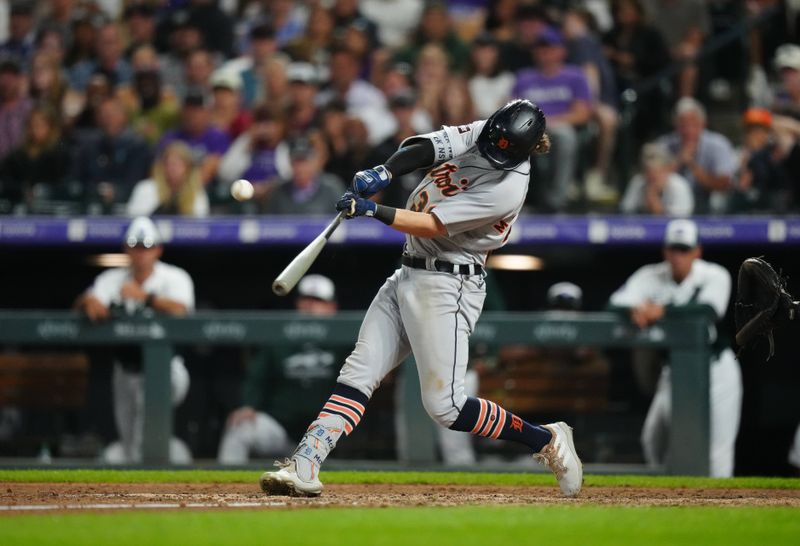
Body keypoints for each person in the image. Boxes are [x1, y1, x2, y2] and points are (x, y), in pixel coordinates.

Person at [260, 99, 583, 498]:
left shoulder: (510, 186)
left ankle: (545, 440)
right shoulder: (488, 131)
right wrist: (384, 170)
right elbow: (427, 145)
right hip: (409, 271)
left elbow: (431, 225)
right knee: (359, 371)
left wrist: (372, 210)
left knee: (446, 408)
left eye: (503, 147)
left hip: (450, 284)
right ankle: (304, 464)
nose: (494, 148)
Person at [608, 219, 742, 477]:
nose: (678, 255)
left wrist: (662, 311)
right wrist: (634, 310)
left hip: (717, 370)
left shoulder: (714, 275)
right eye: (674, 249)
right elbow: (613, 304)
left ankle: (718, 509)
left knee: (717, 451)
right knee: (653, 439)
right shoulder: (651, 275)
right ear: (665, 251)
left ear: (697, 251)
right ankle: (669, 497)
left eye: (684, 249)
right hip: (674, 370)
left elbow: (708, 310)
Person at [74, 217, 194, 464]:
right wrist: (89, 301)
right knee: (129, 445)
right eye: (135, 246)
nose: (141, 253)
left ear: (158, 249)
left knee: (144, 436)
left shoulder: (174, 277)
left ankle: (154, 484)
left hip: (165, 369)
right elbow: (83, 301)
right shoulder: (112, 279)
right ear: (126, 248)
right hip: (126, 370)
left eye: (147, 247)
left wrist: (146, 298)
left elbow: (182, 310)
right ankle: (146, 486)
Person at [218, 275, 347, 464]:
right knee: (240, 428)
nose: (310, 306)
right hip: (280, 428)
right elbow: (257, 377)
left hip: (328, 436)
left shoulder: (345, 340)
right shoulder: (280, 337)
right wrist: (249, 404)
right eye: (305, 299)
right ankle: (223, 490)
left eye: (318, 301)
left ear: (332, 307)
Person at [511, 27, 592, 212]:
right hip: (529, 127)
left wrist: (550, 121)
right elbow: (512, 108)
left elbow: (583, 113)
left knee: (566, 137)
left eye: (548, 47)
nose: (543, 52)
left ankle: (557, 200)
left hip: (560, 126)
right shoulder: (524, 77)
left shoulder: (575, 76)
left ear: (562, 51)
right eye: (539, 48)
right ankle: (515, 200)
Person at [655, 98, 738, 214]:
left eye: (693, 125)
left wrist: (692, 165)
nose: (688, 131)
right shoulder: (664, 144)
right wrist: (678, 161)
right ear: (675, 125)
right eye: (683, 125)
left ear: (703, 124)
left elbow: (724, 184)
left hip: (711, 209)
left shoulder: (718, 144)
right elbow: (653, 180)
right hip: (671, 209)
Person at [265, 136, 345, 215]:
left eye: (305, 162)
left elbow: (344, 220)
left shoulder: (331, 189)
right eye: (296, 162)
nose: (300, 168)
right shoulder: (278, 192)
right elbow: (267, 223)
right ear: (290, 164)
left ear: (314, 162)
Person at [127, 141, 209, 217]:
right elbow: (134, 222)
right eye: (169, 164)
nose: (173, 169)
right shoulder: (145, 189)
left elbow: (202, 226)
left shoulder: (197, 192)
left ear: (188, 168)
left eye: (178, 164)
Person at [620, 143, 694, 215]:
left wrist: (654, 200)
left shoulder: (679, 185)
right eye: (647, 172)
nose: (652, 176)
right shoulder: (638, 181)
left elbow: (680, 220)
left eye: (656, 172)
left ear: (666, 170)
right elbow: (626, 211)